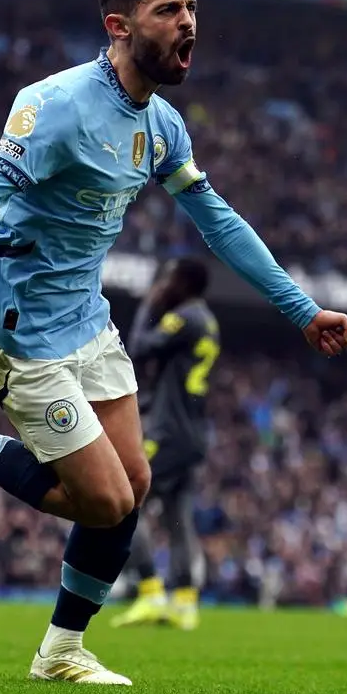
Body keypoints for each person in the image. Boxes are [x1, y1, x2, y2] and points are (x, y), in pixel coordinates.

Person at [0, 0, 347, 685]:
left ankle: (60, 653)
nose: (188, 22)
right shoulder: (57, 104)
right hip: (17, 323)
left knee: (135, 485)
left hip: (86, 319)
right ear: (119, 25)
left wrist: (301, 309)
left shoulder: (162, 126)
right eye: (169, 10)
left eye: (192, 7)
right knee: (101, 501)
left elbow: (218, 222)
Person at [112, 257, 216, 631]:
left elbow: (139, 346)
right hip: (194, 433)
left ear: (184, 282)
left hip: (169, 432)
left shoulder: (185, 316)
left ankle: (150, 592)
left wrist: (148, 304)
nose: (164, 283)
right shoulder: (208, 321)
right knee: (179, 516)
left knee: (125, 502)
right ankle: (185, 603)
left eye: (169, 278)